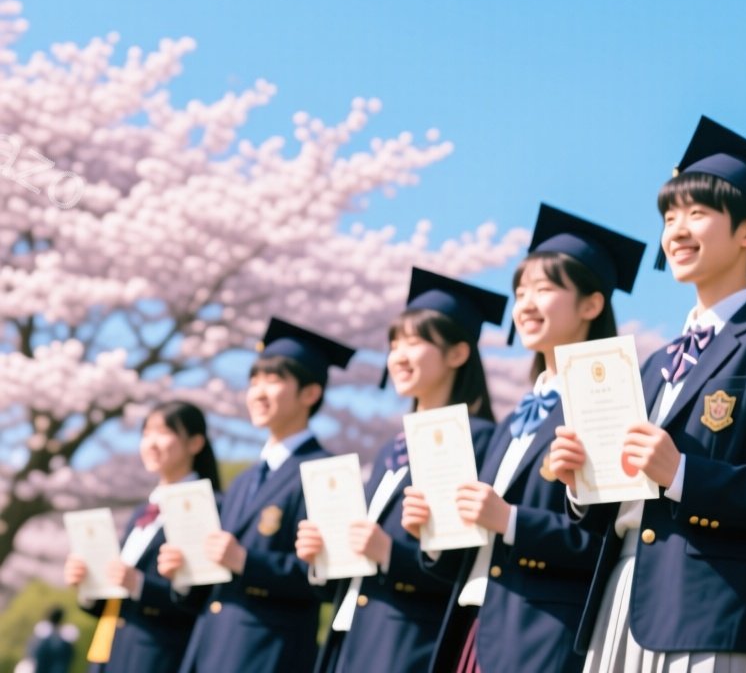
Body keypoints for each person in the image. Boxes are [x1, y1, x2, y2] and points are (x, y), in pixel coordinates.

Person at [553, 116, 746, 673]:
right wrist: (583, 483)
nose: (675, 230)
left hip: (716, 609)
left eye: (697, 213)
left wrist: (680, 473)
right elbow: (612, 505)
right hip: (623, 597)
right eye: (669, 217)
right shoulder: (651, 363)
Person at [408, 205, 637, 673]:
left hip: (540, 634)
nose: (526, 305)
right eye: (520, 292)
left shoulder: (608, 403)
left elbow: (602, 543)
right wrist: (434, 534)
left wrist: (510, 520)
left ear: (591, 305)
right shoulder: (514, 419)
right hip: (473, 627)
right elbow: (473, 550)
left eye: (545, 289)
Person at [306, 268, 505, 673]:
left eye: (414, 343)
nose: (397, 356)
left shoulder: (476, 438)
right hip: (353, 637)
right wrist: (325, 553)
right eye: (394, 344)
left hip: (408, 639)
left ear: (457, 354)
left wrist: (388, 554)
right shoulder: (392, 449)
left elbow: (462, 565)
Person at [175, 319, 355, 673]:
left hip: (268, 651)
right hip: (212, 646)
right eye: (254, 381)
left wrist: (246, 561)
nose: (258, 392)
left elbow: (326, 576)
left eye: (273, 380)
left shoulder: (325, 473)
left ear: (310, 393)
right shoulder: (244, 480)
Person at [64, 401, 221, 673]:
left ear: (195, 443)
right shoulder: (143, 511)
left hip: (158, 655)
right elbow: (114, 598)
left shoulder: (208, 506)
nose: (151, 443)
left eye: (163, 432)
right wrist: (89, 584)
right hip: (111, 652)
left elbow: (201, 599)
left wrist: (138, 584)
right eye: (146, 433)